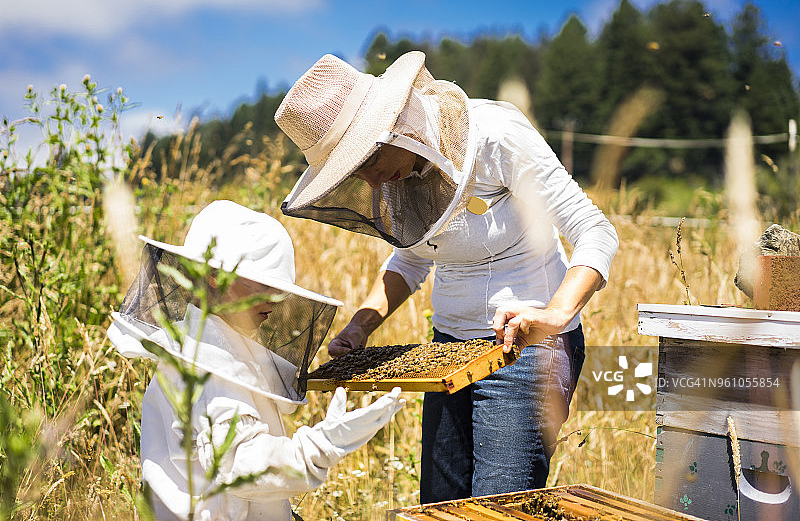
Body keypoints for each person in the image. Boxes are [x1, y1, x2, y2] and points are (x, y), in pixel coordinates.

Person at [274, 51, 618, 503]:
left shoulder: (496, 136)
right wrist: (361, 326)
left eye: (368, 163)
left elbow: (594, 229)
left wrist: (556, 313)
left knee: (499, 508)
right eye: (357, 172)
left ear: (395, 127)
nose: (373, 182)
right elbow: (411, 259)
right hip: (447, 352)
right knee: (440, 505)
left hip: (526, 349)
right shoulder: (397, 174)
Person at [107, 200, 405, 520]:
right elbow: (239, 464)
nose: (274, 300)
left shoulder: (213, 341)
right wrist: (318, 448)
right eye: (264, 284)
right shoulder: (208, 364)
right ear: (212, 276)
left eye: (278, 288)